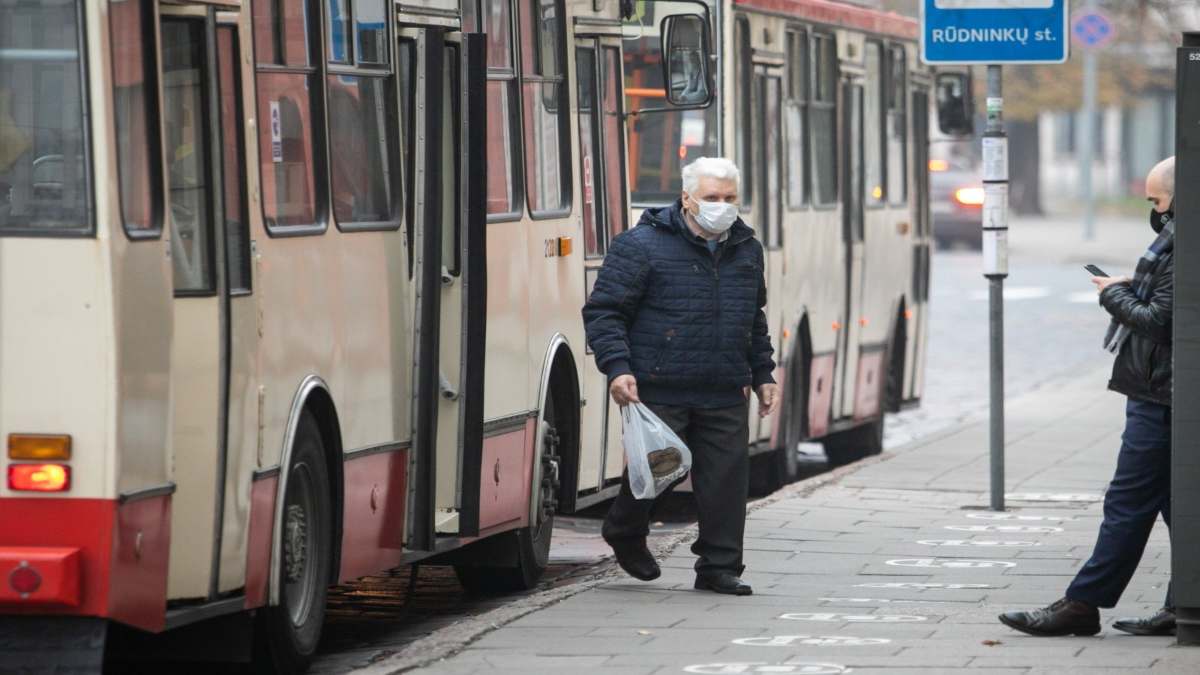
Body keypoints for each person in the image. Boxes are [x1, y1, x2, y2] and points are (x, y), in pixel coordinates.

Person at [582, 157, 779, 596]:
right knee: (659, 472)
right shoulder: (641, 245)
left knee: (726, 483)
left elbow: (754, 317)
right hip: (660, 382)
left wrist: (763, 372)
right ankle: (625, 529)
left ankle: (719, 567)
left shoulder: (747, 248)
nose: (722, 207)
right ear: (687, 198)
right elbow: (605, 312)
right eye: (712, 198)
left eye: (730, 199)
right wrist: (618, 368)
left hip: (726, 385)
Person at [999, 157, 1177, 637]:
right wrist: (1128, 287)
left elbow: (1159, 320)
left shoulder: (1181, 245)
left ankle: (1082, 604)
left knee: (1127, 501)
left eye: (1157, 200)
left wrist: (1112, 294)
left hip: (1161, 395)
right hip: (1164, 392)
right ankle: (1183, 601)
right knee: (1173, 504)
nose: (1154, 211)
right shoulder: (1174, 244)